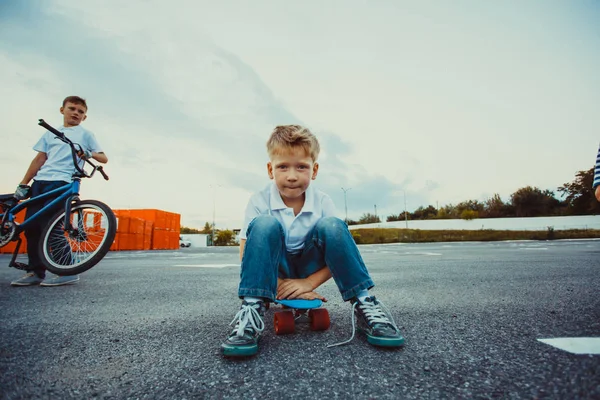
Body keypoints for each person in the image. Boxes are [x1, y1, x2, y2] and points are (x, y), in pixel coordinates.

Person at [221, 125, 404, 357]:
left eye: (301, 167)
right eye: (283, 167)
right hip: (275, 270)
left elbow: (338, 254)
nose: (292, 175)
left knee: (334, 226)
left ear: (314, 170)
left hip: (309, 267)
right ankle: (251, 308)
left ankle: (365, 303)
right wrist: (278, 286)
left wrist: (307, 284)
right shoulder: (259, 200)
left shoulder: (323, 201)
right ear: (270, 169)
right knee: (264, 224)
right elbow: (247, 252)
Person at [10, 96, 108, 287]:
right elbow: (39, 159)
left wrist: (89, 153)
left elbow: (103, 158)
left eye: (80, 112)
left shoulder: (86, 134)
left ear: (85, 117)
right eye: (72, 109)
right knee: (31, 227)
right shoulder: (50, 134)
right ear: (62, 110)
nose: (75, 113)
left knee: (51, 226)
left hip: (62, 182)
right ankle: (35, 272)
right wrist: (24, 183)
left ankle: (67, 271)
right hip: (41, 182)